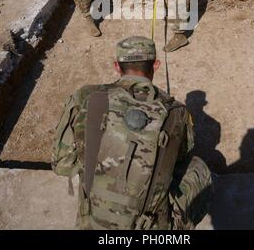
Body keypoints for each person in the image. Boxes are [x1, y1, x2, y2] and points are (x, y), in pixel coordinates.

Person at [52, 36, 212, 230]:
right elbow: (180, 157)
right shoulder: (177, 112)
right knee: (198, 167)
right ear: (156, 65)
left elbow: (62, 165)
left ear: (117, 67)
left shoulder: (86, 96)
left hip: (91, 223)